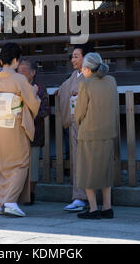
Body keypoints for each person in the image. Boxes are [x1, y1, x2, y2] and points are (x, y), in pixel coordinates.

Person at [0, 42, 41, 217]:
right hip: (14, 124)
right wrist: (33, 91)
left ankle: (2, 202)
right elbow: (32, 102)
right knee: (20, 162)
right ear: (15, 60)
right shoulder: (19, 79)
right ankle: (10, 201)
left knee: (2, 163)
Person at [75, 53, 119, 220]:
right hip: (108, 132)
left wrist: (78, 122)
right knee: (105, 170)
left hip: (89, 132)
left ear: (87, 69)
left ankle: (93, 209)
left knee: (87, 171)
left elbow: (79, 112)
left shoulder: (85, 84)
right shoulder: (111, 81)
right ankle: (107, 207)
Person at [57, 45, 89, 212]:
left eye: (76, 56)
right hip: (75, 123)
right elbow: (64, 90)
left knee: (89, 161)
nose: (73, 59)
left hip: (89, 123)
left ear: (85, 57)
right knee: (77, 160)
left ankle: (88, 197)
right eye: (72, 56)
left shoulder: (91, 76)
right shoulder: (73, 76)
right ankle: (79, 197)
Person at [17, 59, 50, 205]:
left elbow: (45, 110)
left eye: (24, 70)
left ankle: (30, 193)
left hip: (35, 132)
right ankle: (16, 193)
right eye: (19, 70)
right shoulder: (15, 87)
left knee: (33, 165)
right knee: (17, 165)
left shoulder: (40, 88)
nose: (20, 73)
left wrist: (29, 116)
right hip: (17, 132)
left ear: (33, 73)